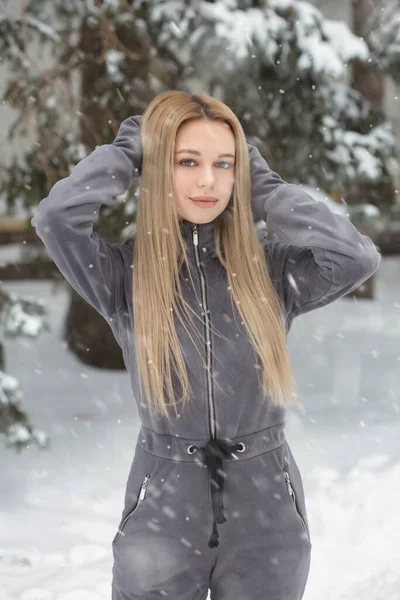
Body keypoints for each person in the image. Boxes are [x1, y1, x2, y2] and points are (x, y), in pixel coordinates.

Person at [31, 90, 381, 600]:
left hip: (267, 516)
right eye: (187, 161)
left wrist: (262, 188)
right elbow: (56, 218)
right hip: (162, 511)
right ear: (160, 169)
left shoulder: (272, 271)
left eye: (225, 164)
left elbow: (356, 257)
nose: (207, 181)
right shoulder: (122, 276)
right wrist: (132, 150)